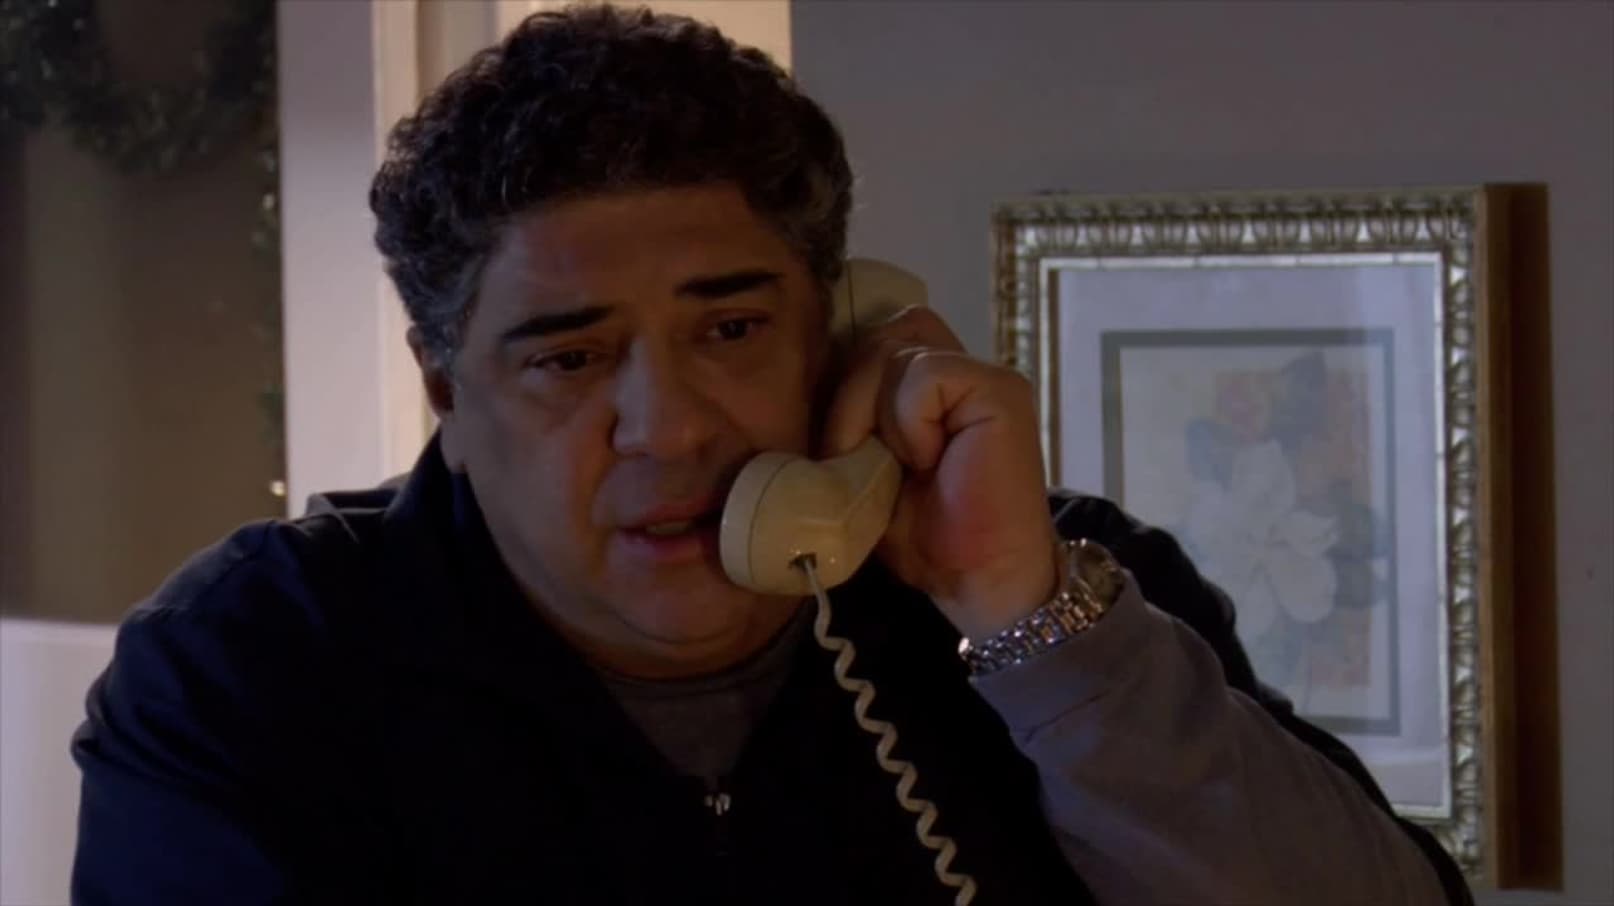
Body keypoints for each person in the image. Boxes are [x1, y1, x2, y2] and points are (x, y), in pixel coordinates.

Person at [71, 6, 1473, 905]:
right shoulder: (255, 662)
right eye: (569, 357)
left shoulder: (1064, 590)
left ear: (842, 328)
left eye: (732, 329)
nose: (671, 425)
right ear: (447, 388)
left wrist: (1028, 624)